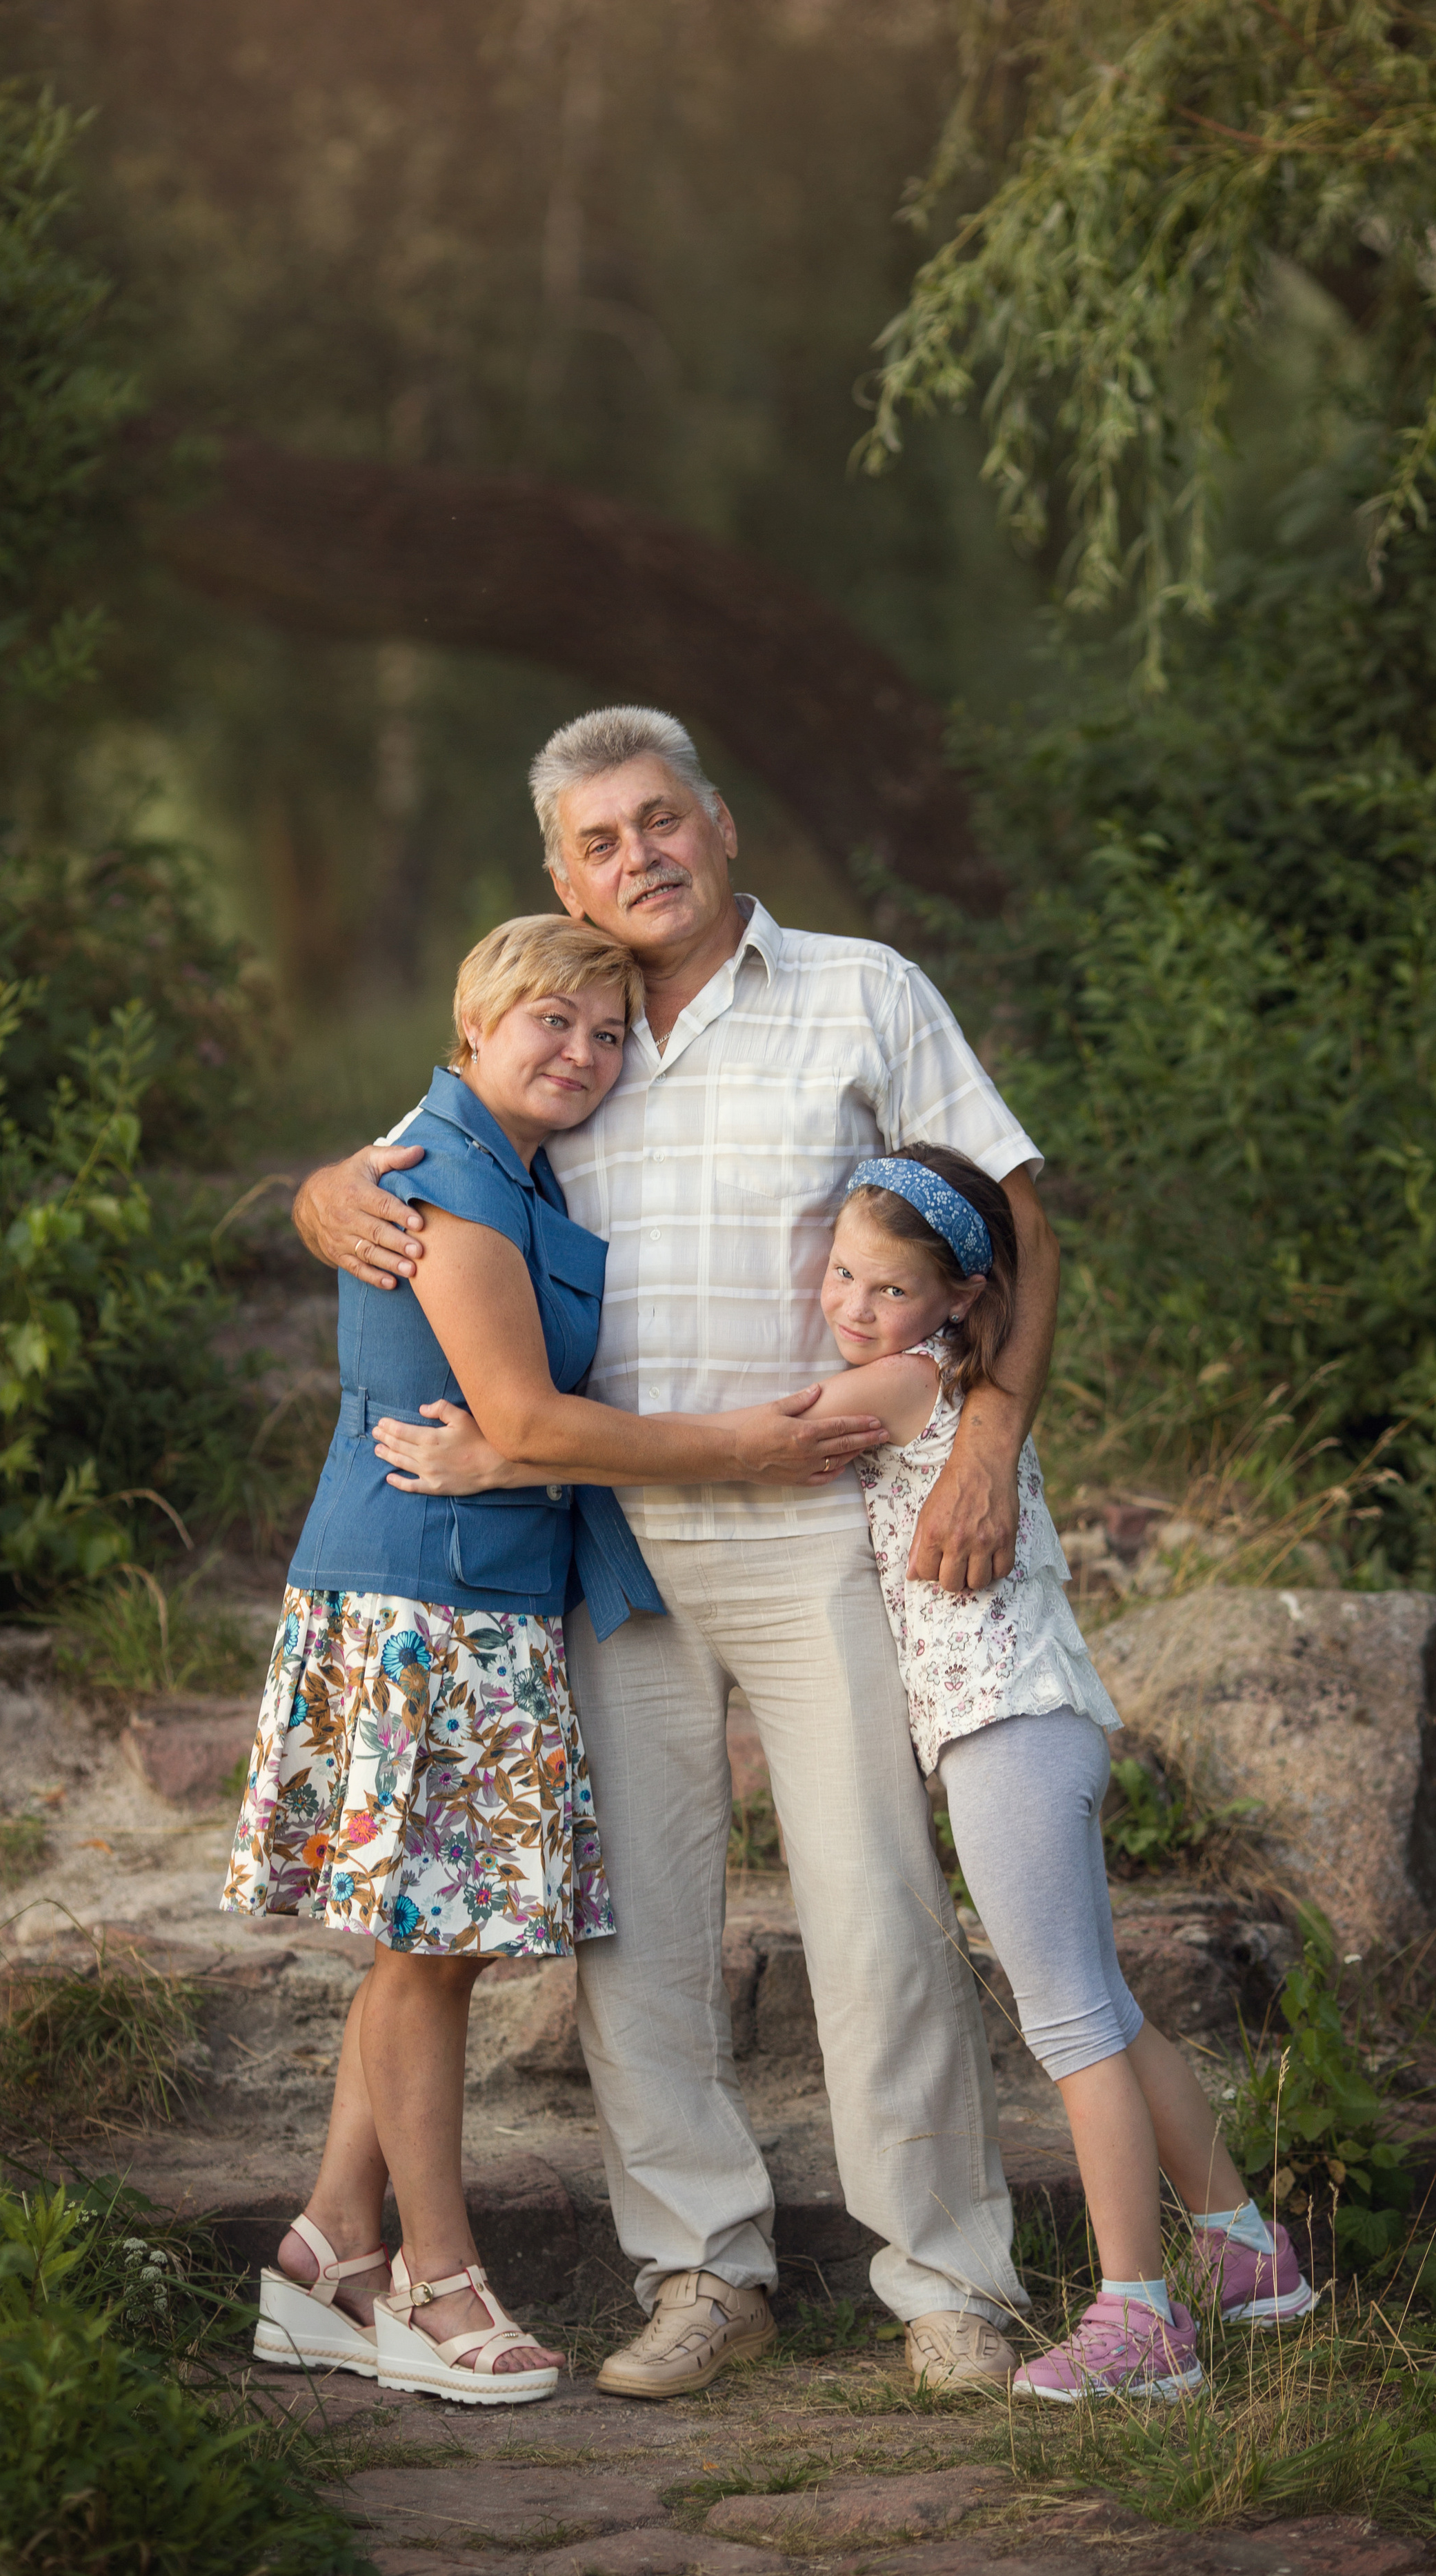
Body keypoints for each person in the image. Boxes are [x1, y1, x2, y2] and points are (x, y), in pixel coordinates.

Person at [293, 704, 1058, 2397]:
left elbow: (1010, 1216)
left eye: (658, 821)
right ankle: (702, 2272)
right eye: (596, 840)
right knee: (633, 1931)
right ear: (559, 875)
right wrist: (320, 1189)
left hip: (819, 1531)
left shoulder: (861, 991)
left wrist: (989, 1439)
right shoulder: (565, 1026)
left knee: (876, 1909)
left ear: (719, 826)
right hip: (604, 1541)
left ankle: (945, 2281)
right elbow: (417, 1159)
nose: (634, 857)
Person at [225, 912, 881, 2406]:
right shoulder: (451, 1173)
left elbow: (513, 1429)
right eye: (551, 1023)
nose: (582, 1053)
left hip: (485, 1589)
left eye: (606, 1033)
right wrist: (743, 1448)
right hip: (426, 1600)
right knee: (429, 1954)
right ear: (473, 1023)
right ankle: (436, 2288)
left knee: (433, 1944)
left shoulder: (511, 1164)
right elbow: (520, 1419)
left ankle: (327, 2249)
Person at [805, 1142, 1316, 2399]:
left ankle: (1139, 2321)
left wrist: (517, 1445)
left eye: (889, 1288)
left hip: (1005, 1734)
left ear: (958, 1300)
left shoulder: (905, 1385)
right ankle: (1248, 2256)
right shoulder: (960, 1380)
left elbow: (752, 1438)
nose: (853, 1306)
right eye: (840, 1274)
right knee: (1108, 2010)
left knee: (1072, 2028)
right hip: (1046, 1720)